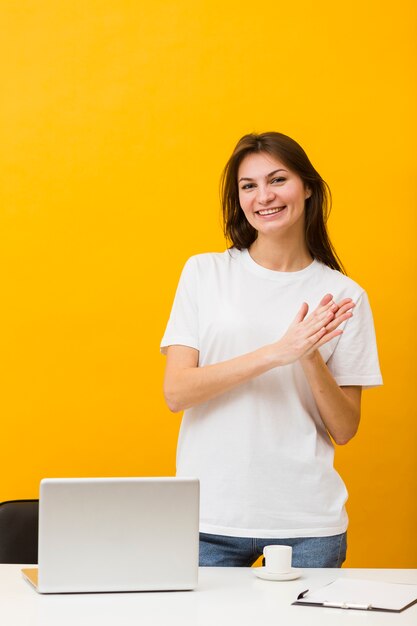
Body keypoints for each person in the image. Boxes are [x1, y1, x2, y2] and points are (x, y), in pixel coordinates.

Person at [160, 132, 382, 568]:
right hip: (209, 518)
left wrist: (308, 355)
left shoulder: (343, 295)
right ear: (238, 197)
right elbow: (177, 392)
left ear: (308, 188)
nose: (264, 196)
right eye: (249, 185)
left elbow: (344, 428)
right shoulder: (205, 273)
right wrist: (278, 351)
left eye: (278, 180)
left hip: (308, 523)